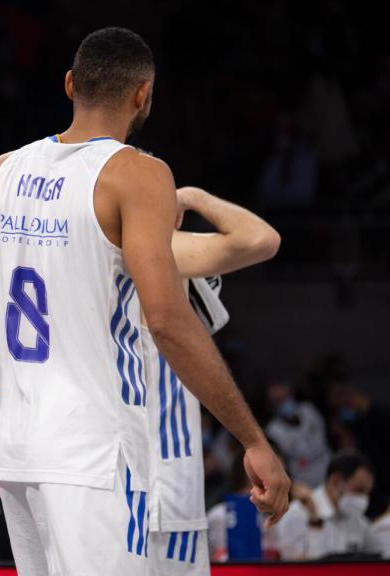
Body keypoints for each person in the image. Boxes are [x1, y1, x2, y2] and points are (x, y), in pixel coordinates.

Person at [0, 27, 290, 575]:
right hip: (94, 451)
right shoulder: (138, 174)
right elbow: (166, 319)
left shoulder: (0, 171)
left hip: (18, 452)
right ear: (143, 94)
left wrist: (30, 349)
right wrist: (253, 438)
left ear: (70, 84)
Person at [142, 184, 281, 576]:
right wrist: (188, 196)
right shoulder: (159, 252)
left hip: (95, 468)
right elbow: (261, 238)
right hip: (160, 479)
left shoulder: (73, 252)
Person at [276, 451, 381, 559]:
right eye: (359, 490)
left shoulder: (357, 519)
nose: (363, 499)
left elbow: (381, 556)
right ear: (335, 481)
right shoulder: (296, 513)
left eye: (367, 493)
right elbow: (295, 569)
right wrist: (315, 521)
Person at [265, 379, 330, 487]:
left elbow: (325, 436)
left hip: (327, 469)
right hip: (304, 482)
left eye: (284, 398)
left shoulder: (309, 410)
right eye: (278, 401)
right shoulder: (273, 431)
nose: (283, 403)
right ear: (271, 405)